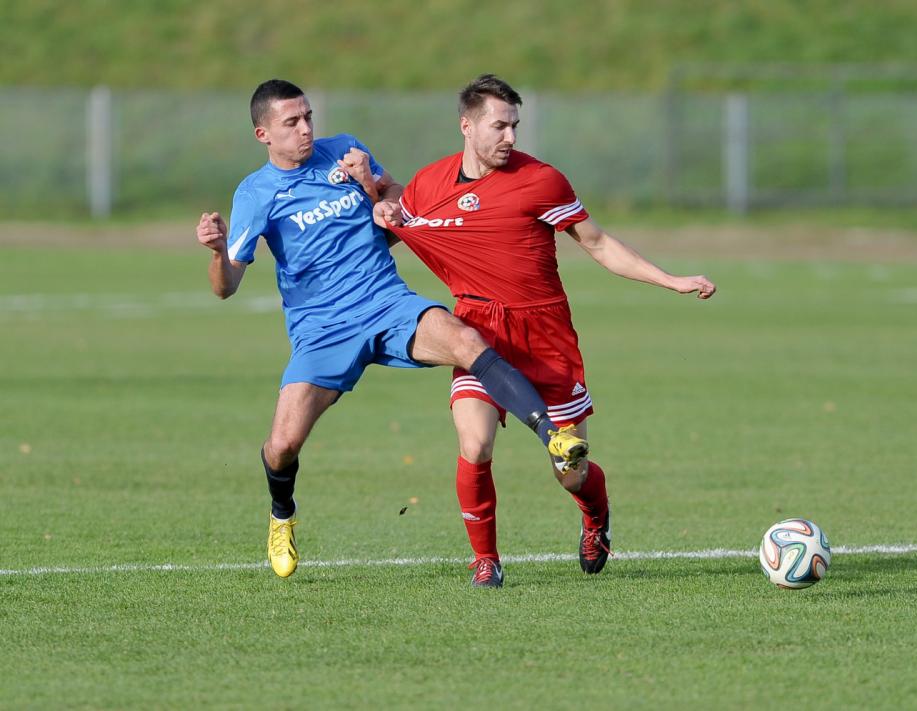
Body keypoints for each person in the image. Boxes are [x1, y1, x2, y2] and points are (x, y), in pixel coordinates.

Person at [196, 79, 589, 580]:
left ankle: (552, 433)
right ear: (263, 134)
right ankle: (281, 515)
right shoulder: (256, 193)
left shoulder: (345, 150)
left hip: (387, 303)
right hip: (323, 330)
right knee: (282, 447)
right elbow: (226, 285)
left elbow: (402, 205)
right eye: (292, 123)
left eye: (309, 116)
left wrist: (369, 182)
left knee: (469, 339)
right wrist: (215, 250)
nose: (306, 129)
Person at [377, 74, 716, 588]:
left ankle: (595, 519)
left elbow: (598, 243)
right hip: (477, 331)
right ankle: (485, 561)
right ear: (466, 126)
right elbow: (392, 225)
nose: (510, 136)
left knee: (570, 472)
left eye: (515, 125)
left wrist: (669, 280)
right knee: (475, 445)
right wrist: (373, 203)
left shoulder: (541, 181)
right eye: (499, 125)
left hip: (545, 335)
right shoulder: (429, 184)